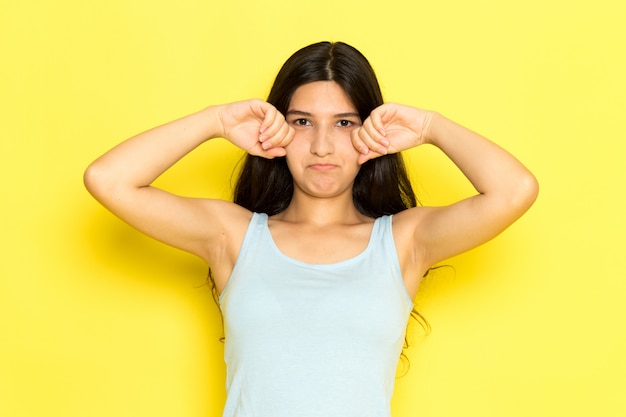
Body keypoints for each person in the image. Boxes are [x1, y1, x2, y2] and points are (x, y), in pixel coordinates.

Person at [84, 41, 538, 417]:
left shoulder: (403, 242)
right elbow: (108, 179)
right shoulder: (235, 237)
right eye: (303, 122)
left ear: (371, 131)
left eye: (345, 123)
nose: (322, 146)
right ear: (278, 126)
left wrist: (430, 127)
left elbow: (515, 190)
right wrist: (215, 121)